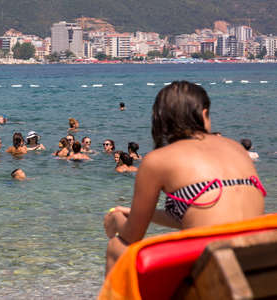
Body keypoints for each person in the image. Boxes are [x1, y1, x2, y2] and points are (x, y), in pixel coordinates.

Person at [104, 81, 266, 275]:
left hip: (216, 271)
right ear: (204, 114)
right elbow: (203, 214)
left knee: (117, 247)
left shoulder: (157, 160)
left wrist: (115, 220)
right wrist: (135, 212)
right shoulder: (237, 149)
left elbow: (132, 236)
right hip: (259, 263)